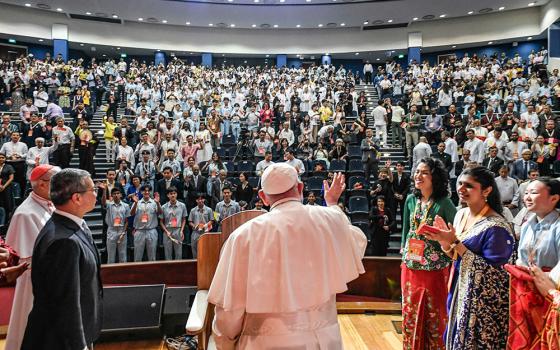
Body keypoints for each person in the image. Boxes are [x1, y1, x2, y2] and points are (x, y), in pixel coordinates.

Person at [207, 164, 367, 349]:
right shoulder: (329, 219)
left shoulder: (243, 236)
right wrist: (332, 203)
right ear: (300, 188)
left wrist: (224, 342)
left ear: (263, 197)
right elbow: (354, 243)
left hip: (266, 343)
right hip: (324, 341)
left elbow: (230, 310)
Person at [422, 166, 515, 349]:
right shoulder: (461, 214)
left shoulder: (497, 228)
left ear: (486, 190)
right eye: (460, 184)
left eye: (469, 186)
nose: (461, 189)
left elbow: (497, 276)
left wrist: (455, 242)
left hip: (481, 306)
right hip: (459, 289)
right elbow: (456, 257)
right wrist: (444, 241)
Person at [22, 168, 101, 350]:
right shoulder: (65, 242)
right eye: (93, 189)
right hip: (60, 341)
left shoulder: (66, 225)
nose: (97, 193)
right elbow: (66, 302)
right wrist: (79, 345)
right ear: (77, 198)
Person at [400, 157, 457, 350]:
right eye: (417, 171)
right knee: (410, 310)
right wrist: (403, 248)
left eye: (425, 172)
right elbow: (407, 228)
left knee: (434, 312)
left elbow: (455, 233)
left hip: (434, 269)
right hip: (410, 266)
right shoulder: (410, 199)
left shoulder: (445, 203)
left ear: (435, 177)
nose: (419, 176)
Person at [4, 165, 60, 350]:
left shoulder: (49, 205)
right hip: (35, 285)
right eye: (57, 182)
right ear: (43, 185)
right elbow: (27, 259)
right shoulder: (26, 213)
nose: (62, 186)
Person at [130, 185, 162, 262]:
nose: (146, 192)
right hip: (139, 231)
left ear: (150, 192)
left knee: (152, 256)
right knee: (137, 256)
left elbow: (160, 213)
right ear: (141, 192)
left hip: (151, 231)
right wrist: (135, 203)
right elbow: (131, 213)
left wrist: (158, 203)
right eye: (144, 190)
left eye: (148, 191)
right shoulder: (137, 202)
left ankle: (152, 273)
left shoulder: (155, 202)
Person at [101, 186, 130, 264]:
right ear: (111, 196)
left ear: (120, 195)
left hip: (122, 230)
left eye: (118, 193)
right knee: (111, 255)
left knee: (123, 255)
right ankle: (111, 275)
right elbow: (103, 202)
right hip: (111, 230)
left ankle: (123, 274)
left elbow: (127, 221)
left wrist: (123, 232)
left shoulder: (126, 206)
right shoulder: (109, 205)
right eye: (114, 194)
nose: (116, 195)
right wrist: (104, 190)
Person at [159, 186, 188, 260]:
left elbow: (184, 219)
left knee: (179, 253)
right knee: (167, 253)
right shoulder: (163, 207)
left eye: (174, 193)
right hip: (167, 231)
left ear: (177, 194)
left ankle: (178, 270)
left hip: (178, 230)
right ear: (168, 195)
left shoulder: (182, 205)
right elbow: (161, 221)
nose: (173, 195)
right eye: (171, 194)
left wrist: (181, 231)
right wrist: (166, 231)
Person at [188, 193, 214, 258]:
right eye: (198, 199)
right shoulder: (192, 210)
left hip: (205, 232)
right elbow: (190, 221)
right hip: (195, 233)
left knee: (206, 252)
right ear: (196, 200)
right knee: (195, 252)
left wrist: (205, 226)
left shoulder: (209, 210)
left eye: (202, 199)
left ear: (204, 199)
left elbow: (212, 220)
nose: (200, 201)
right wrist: (194, 226)